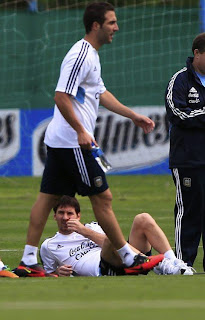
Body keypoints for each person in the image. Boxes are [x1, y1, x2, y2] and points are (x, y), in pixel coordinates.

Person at [15, 2, 156, 276]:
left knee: (47, 199)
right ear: (96, 25)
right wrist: (81, 130)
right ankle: (128, 257)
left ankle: (29, 260)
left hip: (62, 140)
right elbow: (60, 96)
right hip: (72, 142)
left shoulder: (91, 55)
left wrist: (132, 115)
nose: (117, 27)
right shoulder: (81, 54)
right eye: (112, 22)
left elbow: (100, 93)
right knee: (103, 197)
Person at [39, 196, 194, 277]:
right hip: (106, 269)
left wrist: (84, 231)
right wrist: (58, 273)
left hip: (124, 258)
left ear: (78, 216)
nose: (65, 217)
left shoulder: (91, 227)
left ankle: (173, 262)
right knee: (110, 239)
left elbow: (117, 243)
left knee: (143, 218)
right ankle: (158, 264)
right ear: (54, 216)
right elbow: (48, 274)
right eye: (61, 213)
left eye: (69, 213)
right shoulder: (49, 245)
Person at [165, 32, 205, 271]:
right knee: (189, 211)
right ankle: (183, 264)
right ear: (197, 53)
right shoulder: (180, 80)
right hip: (188, 160)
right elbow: (177, 114)